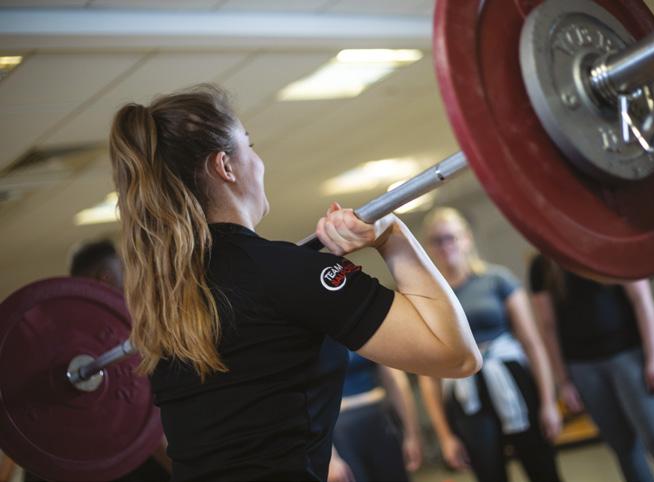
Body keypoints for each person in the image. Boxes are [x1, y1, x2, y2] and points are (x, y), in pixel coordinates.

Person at [108, 84, 481, 482]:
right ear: (225, 166)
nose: (259, 162)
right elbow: (457, 356)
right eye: (249, 146)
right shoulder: (285, 272)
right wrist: (391, 236)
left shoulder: (163, 304)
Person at [418, 207, 562, 482]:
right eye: (437, 240)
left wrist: (548, 402)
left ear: (466, 239)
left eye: (451, 237)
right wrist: (445, 436)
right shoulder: (429, 297)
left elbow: (532, 343)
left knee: (542, 467)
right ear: (429, 247)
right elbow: (428, 374)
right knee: (489, 473)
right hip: (465, 388)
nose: (445, 245)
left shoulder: (497, 280)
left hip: (511, 378)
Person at [529, 254, 654, 482]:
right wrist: (564, 382)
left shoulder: (610, 243)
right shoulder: (542, 264)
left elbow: (641, 300)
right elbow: (547, 327)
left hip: (629, 356)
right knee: (625, 451)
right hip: (583, 367)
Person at [23, 239, 172, 482]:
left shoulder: (60, 348)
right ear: (106, 278)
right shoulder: (97, 346)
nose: (133, 283)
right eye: (125, 272)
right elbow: (144, 431)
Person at [328, 349, 422, 482]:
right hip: (340, 429)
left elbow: (395, 382)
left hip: (378, 418)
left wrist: (411, 434)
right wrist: (330, 457)